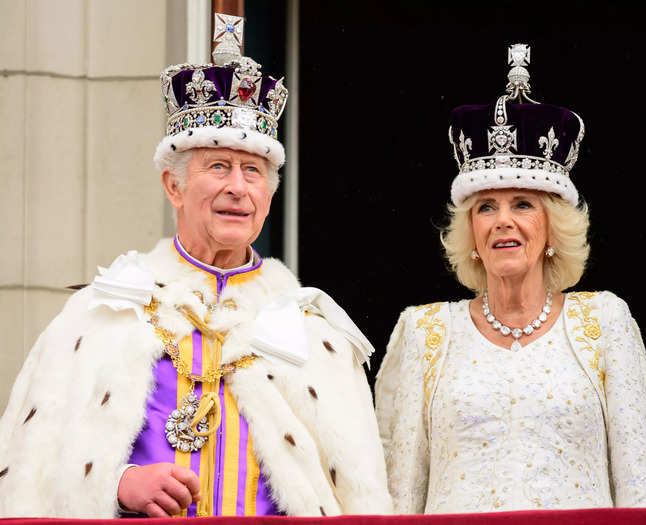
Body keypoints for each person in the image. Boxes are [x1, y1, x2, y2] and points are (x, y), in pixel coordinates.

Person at [0, 15, 391, 519]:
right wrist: (117, 485)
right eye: (218, 167)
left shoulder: (315, 333)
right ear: (174, 186)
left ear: (269, 197)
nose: (237, 187)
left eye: (253, 170)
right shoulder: (101, 314)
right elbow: (25, 469)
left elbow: (357, 494)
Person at [374, 44, 646, 513]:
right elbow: (399, 492)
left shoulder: (605, 321)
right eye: (486, 207)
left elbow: (643, 481)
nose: (502, 221)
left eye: (522, 204)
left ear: (552, 225)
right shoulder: (425, 333)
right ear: (471, 231)